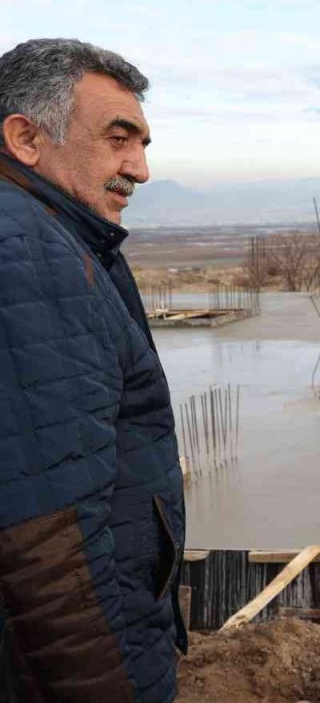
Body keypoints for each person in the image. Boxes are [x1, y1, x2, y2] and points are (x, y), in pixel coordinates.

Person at [0, 39, 185, 702]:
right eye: (118, 137)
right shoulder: (25, 249)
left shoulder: (53, 234)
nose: (138, 167)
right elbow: (49, 540)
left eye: (143, 143)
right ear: (25, 137)